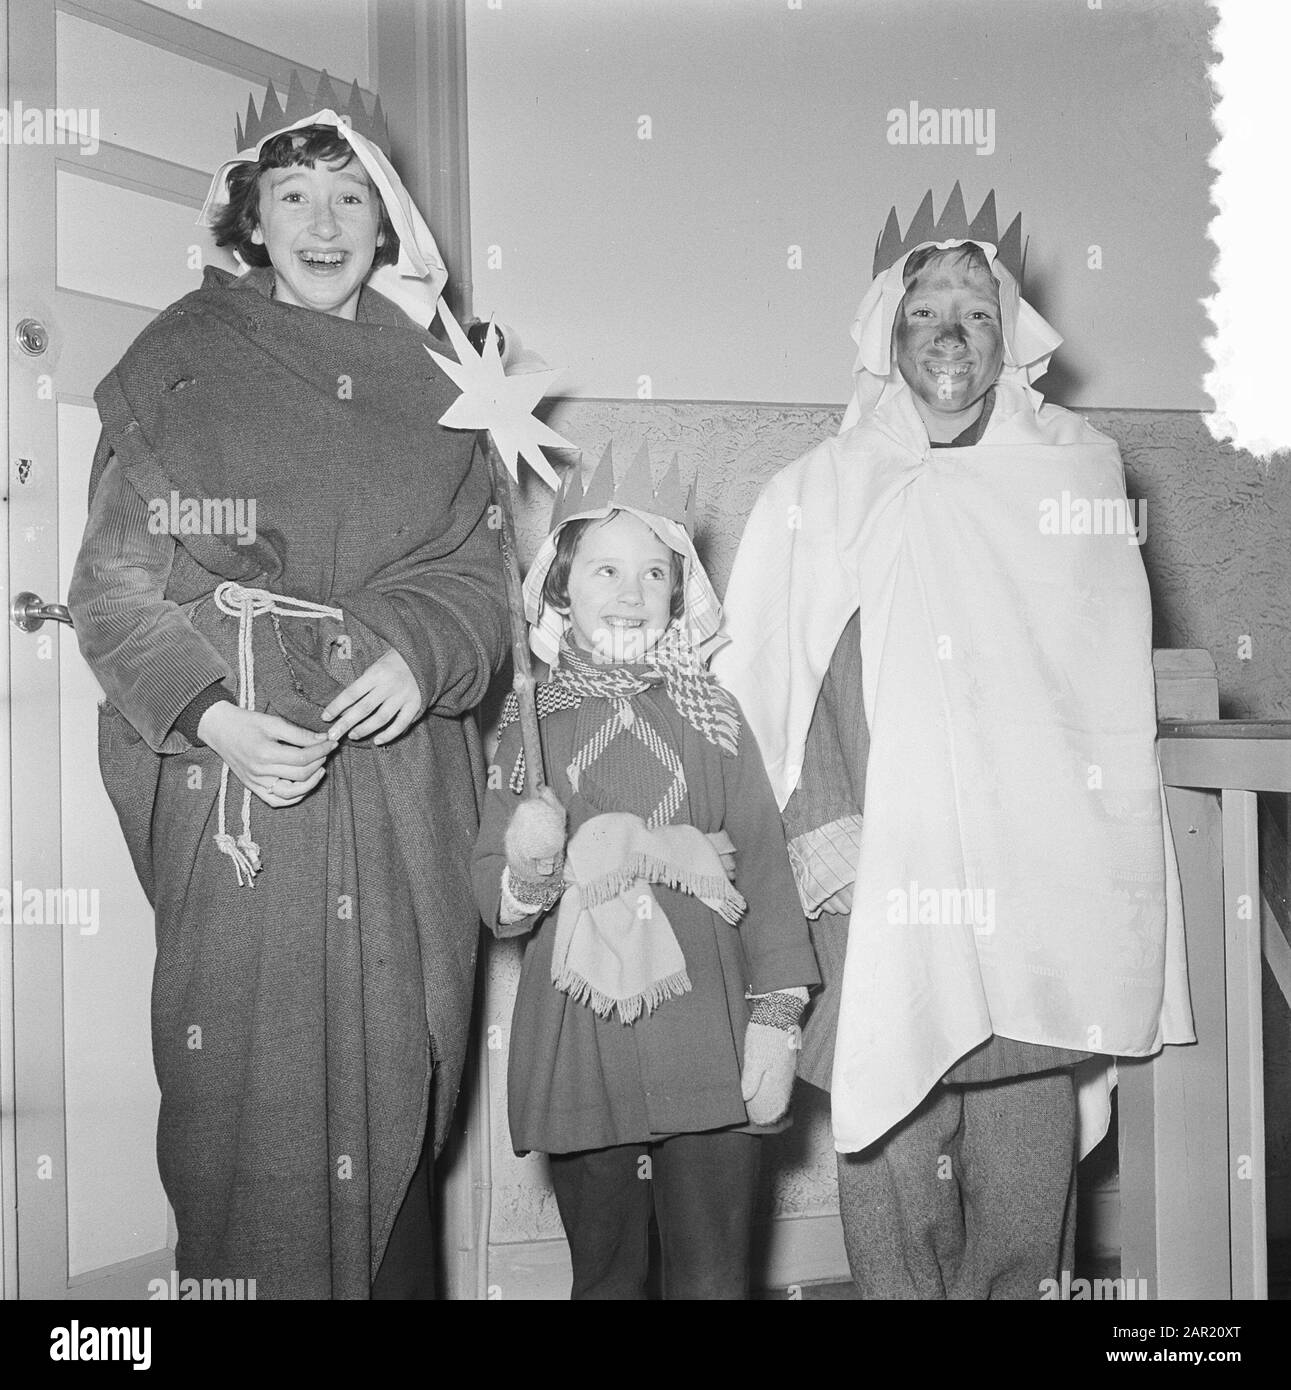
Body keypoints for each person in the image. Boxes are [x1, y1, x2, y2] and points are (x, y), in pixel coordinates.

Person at [67, 78, 509, 1299]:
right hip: (241, 799)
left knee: (394, 1055)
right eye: (294, 195)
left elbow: (477, 580)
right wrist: (212, 718)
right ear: (248, 220)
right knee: (244, 1091)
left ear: (387, 218)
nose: (324, 221)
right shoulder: (184, 357)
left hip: (397, 782)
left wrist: (416, 653)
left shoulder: (441, 376)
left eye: (350, 195)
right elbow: (112, 589)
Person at [716, 209, 1194, 1300]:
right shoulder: (816, 490)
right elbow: (771, 692)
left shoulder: (1073, 477)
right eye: (925, 310)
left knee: (1024, 1187)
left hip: (1031, 891)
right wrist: (812, 832)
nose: (950, 331)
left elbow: (1094, 693)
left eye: (977, 312)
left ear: (1009, 337)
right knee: (891, 1163)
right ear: (887, 333)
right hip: (871, 871)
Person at [471, 445, 820, 1299]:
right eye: (604, 570)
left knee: (711, 1277)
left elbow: (767, 873)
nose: (630, 592)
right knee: (608, 1277)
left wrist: (776, 1017)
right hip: (581, 1043)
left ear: (679, 592)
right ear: (559, 590)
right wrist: (526, 859)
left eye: (653, 573)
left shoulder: (714, 713)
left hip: (706, 1039)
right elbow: (497, 901)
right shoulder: (530, 724)